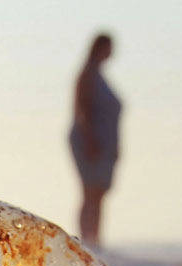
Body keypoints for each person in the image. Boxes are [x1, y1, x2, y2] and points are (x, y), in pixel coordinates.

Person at [70, 33, 121, 249]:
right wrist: (90, 139)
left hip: (103, 143)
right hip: (90, 140)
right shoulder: (88, 74)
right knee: (90, 190)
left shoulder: (99, 75)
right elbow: (82, 108)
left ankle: (95, 238)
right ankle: (87, 240)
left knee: (98, 193)